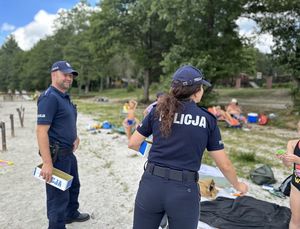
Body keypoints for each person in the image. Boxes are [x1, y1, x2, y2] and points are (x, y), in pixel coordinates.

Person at [128, 65, 248, 229]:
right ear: (197, 91)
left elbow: (133, 143)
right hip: (184, 191)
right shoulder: (207, 119)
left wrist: (155, 153)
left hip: (151, 185)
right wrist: (237, 185)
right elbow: (224, 164)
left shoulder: (158, 111)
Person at [36, 61, 90, 229]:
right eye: (65, 74)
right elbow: (41, 131)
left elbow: (63, 122)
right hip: (57, 156)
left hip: (68, 153)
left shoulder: (63, 96)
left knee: (74, 187)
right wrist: (47, 162)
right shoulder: (49, 97)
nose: (69, 78)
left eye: (71, 75)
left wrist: (75, 137)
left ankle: (70, 214)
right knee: (58, 198)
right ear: (54, 74)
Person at [277, 121, 300, 229]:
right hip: (297, 185)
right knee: (295, 220)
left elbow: (296, 160)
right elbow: (288, 164)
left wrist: (298, 160)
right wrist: (284, 158)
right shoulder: (292, 143)